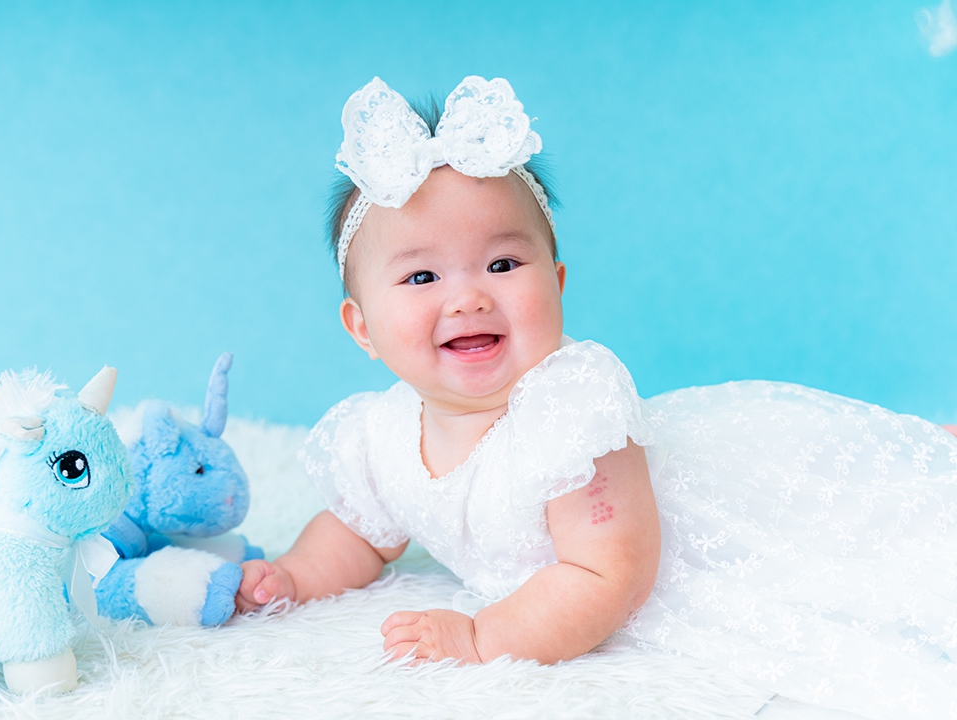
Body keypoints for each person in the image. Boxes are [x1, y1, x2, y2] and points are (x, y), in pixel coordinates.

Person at [237, 76, 957, 718]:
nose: (468, 298)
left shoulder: (570, 410)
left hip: (711, 499)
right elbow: (360, 532)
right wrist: (293, 576)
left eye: (502, 263)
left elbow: (607, 573)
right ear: (362, 327)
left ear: (556, 283)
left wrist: (484, 637)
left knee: (871, 504)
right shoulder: (381, 434)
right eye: (422, 277)